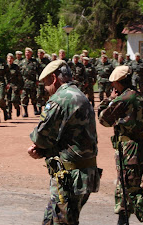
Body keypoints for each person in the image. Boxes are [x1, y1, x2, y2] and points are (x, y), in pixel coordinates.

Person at [28, 60, 100, 225]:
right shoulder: (80, 95)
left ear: (54, 78)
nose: (46, 89)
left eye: (46, 84)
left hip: (68, 178)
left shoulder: (60, 99)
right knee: (51, 220)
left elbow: (40, 136)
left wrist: (37, 148)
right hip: (83, 174)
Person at [98, 66, 143, 225]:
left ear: (119, 84)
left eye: (114, 84)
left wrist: (108, 100)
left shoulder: (124, 99)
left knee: (131, 191)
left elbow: (103, 119)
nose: (113, 87)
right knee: (123, 187)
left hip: (128, 151)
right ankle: (122, 221)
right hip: (141, 149)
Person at [20, 47, 40, 117]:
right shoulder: (22, 62)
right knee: (24, 98)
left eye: (28, 52)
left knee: (33, 97)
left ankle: (35, 109)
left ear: (31, 53)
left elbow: (38, 72)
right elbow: (19, 73)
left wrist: (37, 80)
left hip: (32, 83)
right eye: (26, 52)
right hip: (24, 83)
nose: (27, 54)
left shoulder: (34, 62)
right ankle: (25, 112)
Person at [6, 53, 23, 118]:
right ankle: (9, 114)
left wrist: (21, 88)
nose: (9, 60)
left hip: (15, 86)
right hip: (7, 86)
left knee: (14, 99)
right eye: (8, 58)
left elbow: (20, 78)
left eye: (11, 58)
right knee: (8, 100)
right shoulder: (5, 67)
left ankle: (17, 108)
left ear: (13, 59)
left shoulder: (16, 67)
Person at [36, 49, 50, 114]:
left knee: (46, 96)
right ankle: (39, 109)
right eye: (38, 53)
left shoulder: (47, 61)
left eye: (41, 53)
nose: (39, 54)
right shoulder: (35, 61)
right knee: (38, 95)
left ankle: (46, 110)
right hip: (39, 81)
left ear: (43, 54)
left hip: (46, 81)